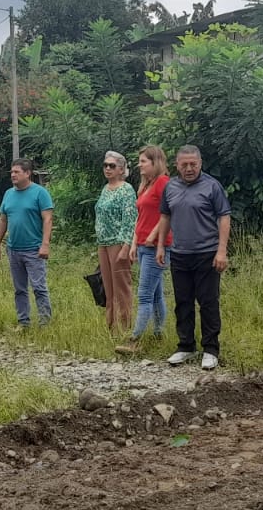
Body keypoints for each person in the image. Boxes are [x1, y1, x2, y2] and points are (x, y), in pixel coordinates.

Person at [152, 145, 231, 370]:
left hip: (207, 253)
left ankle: (211, 349)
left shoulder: (212, 186)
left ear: (200, 163)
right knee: (183, 302)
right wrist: (160, 246)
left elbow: (224, 217)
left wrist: (222, 251)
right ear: (177, 165)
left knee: (208, 302)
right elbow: (165, 216)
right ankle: (186, 346)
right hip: (179, 253)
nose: (189, 168)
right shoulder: (171, 187)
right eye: (184, 164)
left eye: (193, 164)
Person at [116, 145, 172, 355]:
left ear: (155, 162)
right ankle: (158, 333)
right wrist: (134, 243)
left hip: (157, 247)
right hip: (142, 245)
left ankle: (135, 340)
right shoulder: (146, 185)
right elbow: (141, 217)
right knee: (156, 294)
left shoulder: (163, 183)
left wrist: (153, 235)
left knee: (145, 295)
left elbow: (168, 213)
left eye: (143, 161)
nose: (139, 165)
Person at [0, 158, 54, 329]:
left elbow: (47, 219)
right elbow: (3, 220)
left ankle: (45, 323)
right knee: (19, 289)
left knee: (39, 287)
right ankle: (23, 322)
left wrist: (45, 244)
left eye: (16, 172)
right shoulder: (9, 194)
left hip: (34, 249)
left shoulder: (40, 193)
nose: (13, 175)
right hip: (14, 249)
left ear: (27, 173)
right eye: (11, 172)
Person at [94, 151, 137, 335]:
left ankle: (125, 327)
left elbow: (130, 219)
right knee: (108, 287)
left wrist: (126, 246)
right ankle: (111, 327)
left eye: (112, 166)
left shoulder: (126, 190)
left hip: (118, 243)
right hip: (103, 242)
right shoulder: (106, 188)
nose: (108, 169)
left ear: (121, 169)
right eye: (105, 165)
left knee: (121, 287)